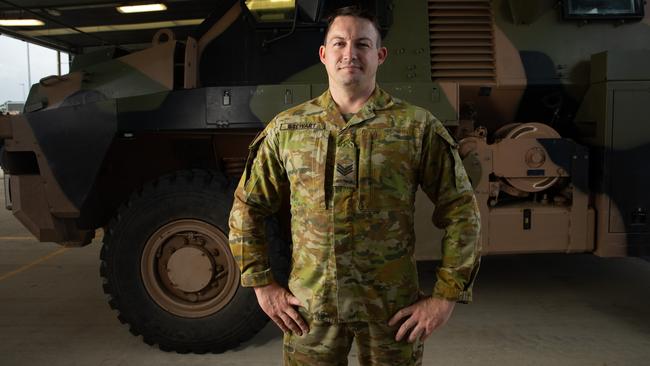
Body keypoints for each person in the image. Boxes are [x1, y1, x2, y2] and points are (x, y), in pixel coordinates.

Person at [229, 6, 481, 365]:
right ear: (323, 54)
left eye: (362, 44)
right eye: (339, 43)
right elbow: (248, 206)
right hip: (310, 316)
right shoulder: (288, 129)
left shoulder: (415, 127)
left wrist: (445, 298)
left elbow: (462, 210)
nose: (350, 54)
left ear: (380, 55)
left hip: (391, 316)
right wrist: (262, 285)